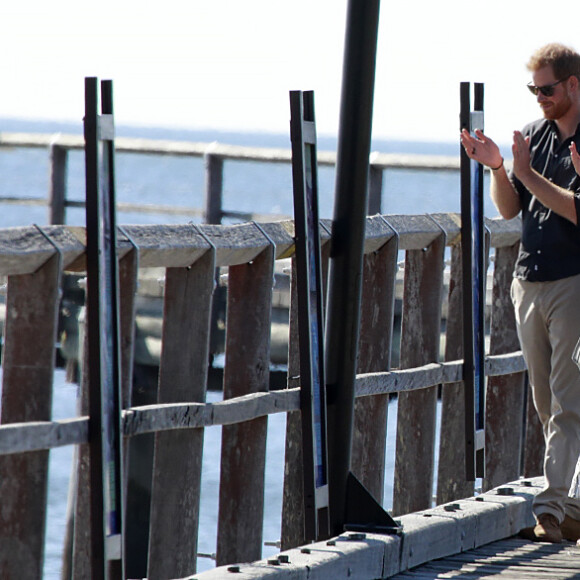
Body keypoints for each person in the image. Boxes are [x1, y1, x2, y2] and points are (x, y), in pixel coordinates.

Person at [461, 43, 580, 544]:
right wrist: (496, 167)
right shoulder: (533, 136)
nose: (539, 98)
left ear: (573, 84)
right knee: (547, 402)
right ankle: (571, 503)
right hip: (528, 280)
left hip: (574, 281)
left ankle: (550, 508)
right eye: (533, 90)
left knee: (568, 397)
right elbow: (511, 211)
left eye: (546, 89)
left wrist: (527, 173)